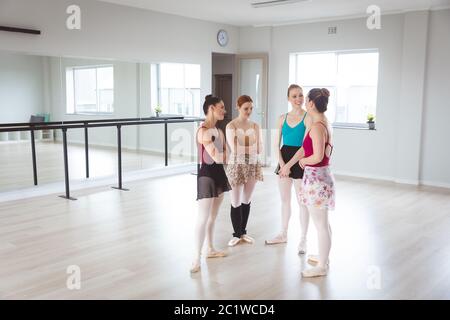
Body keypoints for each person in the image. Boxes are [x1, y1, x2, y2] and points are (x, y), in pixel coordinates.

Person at [266, 84, 311, 255]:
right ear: (288, 99)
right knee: (285, 200)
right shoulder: (281, 118)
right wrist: (282, 164)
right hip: (283, 159)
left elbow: (305, 148)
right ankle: (283, 233)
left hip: (298, 161)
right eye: (294, 96)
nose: (298, 99)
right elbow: (276, 144)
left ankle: (303, 239)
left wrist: (288, 165)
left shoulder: (308, 118)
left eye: (300, 95)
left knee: (302, 202)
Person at [191, 95, 231, 273]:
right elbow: (217, 156)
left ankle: (210, 249)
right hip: (206, 175)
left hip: (219, 174)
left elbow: (227, 156)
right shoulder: (203, 130)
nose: (225, 110)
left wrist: (230, 155)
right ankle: (196, 258)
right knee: (202, 217)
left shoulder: (219, 131)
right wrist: (231, 155)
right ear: (211, 108)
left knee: (213, 216)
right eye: (221, 107)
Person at [299, 88, 335, 278]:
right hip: (322, 177)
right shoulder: (325, 123)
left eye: (306, 100)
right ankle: (324, 257)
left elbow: (318, 155)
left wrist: (303, 161)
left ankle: (321, 265)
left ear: (312, 103)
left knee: (320, 224)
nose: (305, 103)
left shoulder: (317, 127)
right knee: (323, 222)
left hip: (316, 179)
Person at [225, 95, 264, 247]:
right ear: (238, 107)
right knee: (235, 202)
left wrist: (246, 148)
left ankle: (243, 232)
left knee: (246, 200)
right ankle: (236, 234)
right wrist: (250, 148)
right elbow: (235, 149)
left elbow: (260, 148)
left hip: (252, 164)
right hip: (237, 165)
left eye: (251, 108)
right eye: (246, 108)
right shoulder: (231, 126)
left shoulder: (255, 126)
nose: (249, 111)